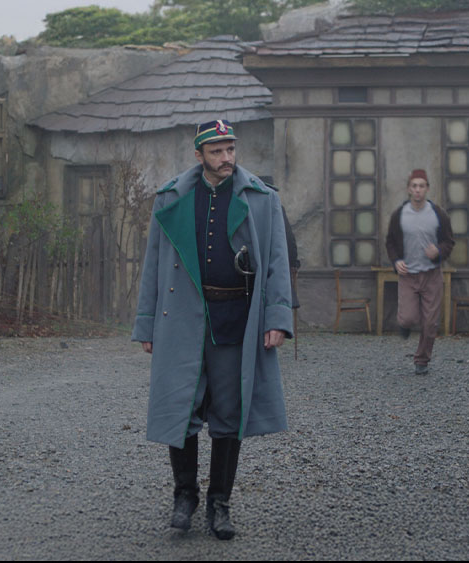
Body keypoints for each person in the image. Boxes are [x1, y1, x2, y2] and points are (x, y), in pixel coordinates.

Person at [132, 119, 294, 540]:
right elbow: (153, 264)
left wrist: (278, 318)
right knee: (180, 406)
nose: (226, 158)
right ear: (199, 155)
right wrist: (147, 323)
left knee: (229, 412)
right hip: (181, 317)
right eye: (217, 151)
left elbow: (277, 262)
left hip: (235, 318)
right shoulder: (172, 196)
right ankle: (184, 496)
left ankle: (219, 503)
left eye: (230, 149)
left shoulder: (261, 198)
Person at [385, 169, 455, 375]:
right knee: (407, 318)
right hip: (408, 275)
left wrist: (438, 251)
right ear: (409, 189)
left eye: (421, 186)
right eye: (414, 186)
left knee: (430, 323)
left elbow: (449, 241)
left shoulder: (438, 214)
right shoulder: (399, 215)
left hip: (431, 275)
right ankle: (405, 326)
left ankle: (422, 360)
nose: (417, 190)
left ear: (427, 189)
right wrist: (396, 261)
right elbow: (390, 242)